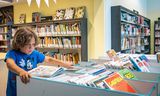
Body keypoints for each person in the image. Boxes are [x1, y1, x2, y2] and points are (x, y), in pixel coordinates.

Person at [5, 27, 73, 96]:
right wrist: (21, 71)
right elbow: (10, 64)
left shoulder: (34, 53)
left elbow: (48, 59)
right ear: (19, 44)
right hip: (14, 91)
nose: (31, 47)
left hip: (30, 88)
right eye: (28, 45)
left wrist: (64, 64)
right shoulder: (12, 53)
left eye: (33, 44)